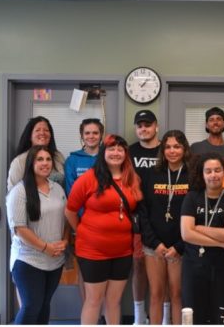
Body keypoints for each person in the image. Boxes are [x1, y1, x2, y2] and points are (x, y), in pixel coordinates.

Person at [65, 134, 143, 325]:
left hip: (123, 251)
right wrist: (83, 230)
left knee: (114, 302)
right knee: (94, 300)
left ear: (125, 153)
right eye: (111, 149)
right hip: (93, 251)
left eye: (120, 149)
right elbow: (70, 211)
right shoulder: (89, 179)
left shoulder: (132, 178)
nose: (116, 153)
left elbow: (137, 208)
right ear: (103, 152)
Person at [6, 145, 68, 324]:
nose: (45, 163)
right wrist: (45, 247)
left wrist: (64, 241)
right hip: (28, 260)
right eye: (40, 159)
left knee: (44, 305)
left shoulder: (57, 188)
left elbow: (65, 219)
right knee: (31, 306)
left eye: (48, 159)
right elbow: (19, 228)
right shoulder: (19, 191)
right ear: (31, 164)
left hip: (55, 260)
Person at [180, 152, 224, 324]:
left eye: (217, 170)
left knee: (222, 318)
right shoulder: (192, 197)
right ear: (202, 174)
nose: (213, 175)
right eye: (208, 171)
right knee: (194, 318)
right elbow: (186, 234)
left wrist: (198, 228)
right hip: (194, 266)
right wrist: (222, 243)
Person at [140, 130, 192, 325]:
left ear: (184, 149)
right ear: (162, 150)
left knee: (178, 294)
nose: (172, 151)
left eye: (177, 146)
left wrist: (179, 246)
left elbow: (196, 213)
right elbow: (143, 210)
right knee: (156, 294)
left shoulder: (192, 175)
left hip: (181, 246)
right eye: (168, 147)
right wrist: (154, 243)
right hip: (154, 245)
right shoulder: (151, 174)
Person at [64, 118, 104, 306]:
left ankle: (103, 314)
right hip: (82, 225)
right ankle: (88, 313)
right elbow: (72, 193)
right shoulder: (73, 160)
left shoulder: (108, 156)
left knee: (105, 271)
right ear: (82, 135)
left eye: (95, 133)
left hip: (106, 225)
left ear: (101, 135)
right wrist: (83, 221)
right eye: (87, 133)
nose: (91, 136)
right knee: (85, 270)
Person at [129, 109, 161, 325]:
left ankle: (165, 316)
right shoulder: (129, 152)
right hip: (136, 217)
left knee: (166, 265)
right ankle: (140, 317)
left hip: (164, 215)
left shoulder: (166, 150)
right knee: (139, 264)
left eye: (147, 124)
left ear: (156, 126)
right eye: (140, 125)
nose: (143, 128)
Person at [8, 116, 65, 191]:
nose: (42, 133)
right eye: (37, 130)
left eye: (46, 130)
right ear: (30, 136)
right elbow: (12, 193)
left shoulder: (58, 156)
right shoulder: (19, 161)